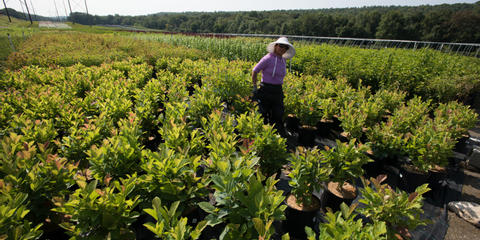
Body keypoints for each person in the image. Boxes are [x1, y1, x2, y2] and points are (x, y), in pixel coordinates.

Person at [252, 37, 296, 138]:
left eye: (285, 47)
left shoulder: (283, 60)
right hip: (266, 89)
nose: (282, 49)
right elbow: (255, 70)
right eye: (281, 46)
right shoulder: (268, 58)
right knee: (262, 113)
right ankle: (260, 136)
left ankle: (275, 136)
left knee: (278, 113)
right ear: (276, 46)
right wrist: (255, 86)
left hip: (277, 90)